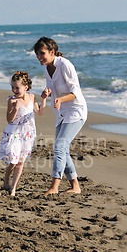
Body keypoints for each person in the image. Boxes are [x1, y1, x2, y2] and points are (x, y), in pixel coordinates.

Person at [33, 37, 88, 195]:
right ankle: (75, 186)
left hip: (75, 111)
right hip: (60, 113)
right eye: (37, 54)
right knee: (62, 149)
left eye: (42, 53)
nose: (39, 57)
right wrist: (46, 93)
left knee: (59, 147)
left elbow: (75, 93)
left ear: (52, 52)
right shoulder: (45, 66)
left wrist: (60, 99)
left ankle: (54, 187)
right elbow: (51, 87)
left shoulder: (65, 65)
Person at [0, 71, 47, 196]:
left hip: (27, 134)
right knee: (13, 161)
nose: (14, 90)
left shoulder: (32, 97)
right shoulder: (12, 100)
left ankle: (13, 188)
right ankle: (6, 178)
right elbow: (9, 119)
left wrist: (44, 99)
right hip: (14, 133)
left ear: (26, 87)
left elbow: (40, 112)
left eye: (17, 87)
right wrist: (16, 108)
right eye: (12, 87)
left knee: (20, 162)